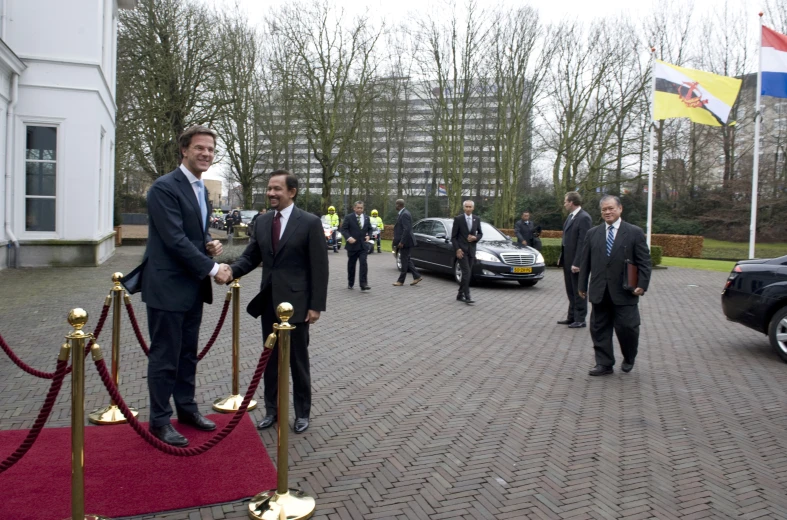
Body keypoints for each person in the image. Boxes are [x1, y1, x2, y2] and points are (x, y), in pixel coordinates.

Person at [133, 125, 224, 447]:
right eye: (200, 148)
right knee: (164, 357)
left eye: (211, 150)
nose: (206, 154)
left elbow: (192, 234)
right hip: (167, 286)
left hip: (191, 287)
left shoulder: (201, 190)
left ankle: (186, 410)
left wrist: (209, 242)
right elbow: (173, 239)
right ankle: (159, 420)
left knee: (187, 354)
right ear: (184, 150)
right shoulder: (163, 188)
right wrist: (214, 268)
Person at [218, 170, 329, 434]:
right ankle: (272, 411)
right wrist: (231, 271)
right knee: (270, 360)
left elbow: (320, 268)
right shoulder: (264, 221)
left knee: (297, 361)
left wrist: (316, 306)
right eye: (269, 188)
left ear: (292, 192)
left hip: (297, 307)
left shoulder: (310, 223)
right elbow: (251, 256)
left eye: (277, 189)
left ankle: (302, 413)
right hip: (269, 302)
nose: (271, 193)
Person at [578, 195, 651, 376]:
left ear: (620, 209)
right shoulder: (592, 233)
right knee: (599, 328)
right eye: (604, 209)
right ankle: (604, 363)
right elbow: (585, 261)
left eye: (611, 208)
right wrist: (582, 285)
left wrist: (642, 284)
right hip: (600, 291)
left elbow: (644, 262)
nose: (607, 212)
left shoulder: (634, 232)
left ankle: (629, 356)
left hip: (625, 291)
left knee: (628, 328)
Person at [558, 191, 592, 329]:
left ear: (572, 202)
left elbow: (584, 242)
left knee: (579, 290)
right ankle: (571, 316)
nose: (564, 204)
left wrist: (578, 262)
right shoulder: (571, 217)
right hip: (568, 260)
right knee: (570, 289)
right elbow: (566, 241)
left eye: (566, 201)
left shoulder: (584, 218)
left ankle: (580, 318)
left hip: (576, 262)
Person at [451, 200, 482, 304]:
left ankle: (459, 294)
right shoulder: (458, 219)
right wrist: (457, 249)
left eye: (470, 207)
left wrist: (475, 238)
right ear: (464, 208)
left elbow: (480, 233)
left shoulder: (476, 219)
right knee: (467, 272)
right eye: (466, 207)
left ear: (473, 208)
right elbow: (453, 237)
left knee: (467, 273)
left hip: (471, 250)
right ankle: (467, 295)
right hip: (462, 251)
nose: (468, 208)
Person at [340, 201, 372, 291]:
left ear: (363, 208)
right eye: (358, 208)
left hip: (363, 246)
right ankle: (350, 282)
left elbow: (370, 229)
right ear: (354, 208)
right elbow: (344, 229)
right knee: (351, 265)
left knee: (363, 263)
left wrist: (369, 235)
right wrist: (348, 237)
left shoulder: (366, 218)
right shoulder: (349, 217)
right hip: (352, 246)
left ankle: (363, 284)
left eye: (361, 208)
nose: (359, 209)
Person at [392, 198, 423, 287]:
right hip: (405, 241)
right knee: (407, 260)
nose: (395, 206)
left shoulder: (405, 214)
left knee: (404, 261)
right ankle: (417, 276)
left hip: (406, 242)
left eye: (396, 204)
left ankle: (400, 281)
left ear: (398, 205)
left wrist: (402, 242)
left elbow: (407, 229)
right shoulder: (403, 213)